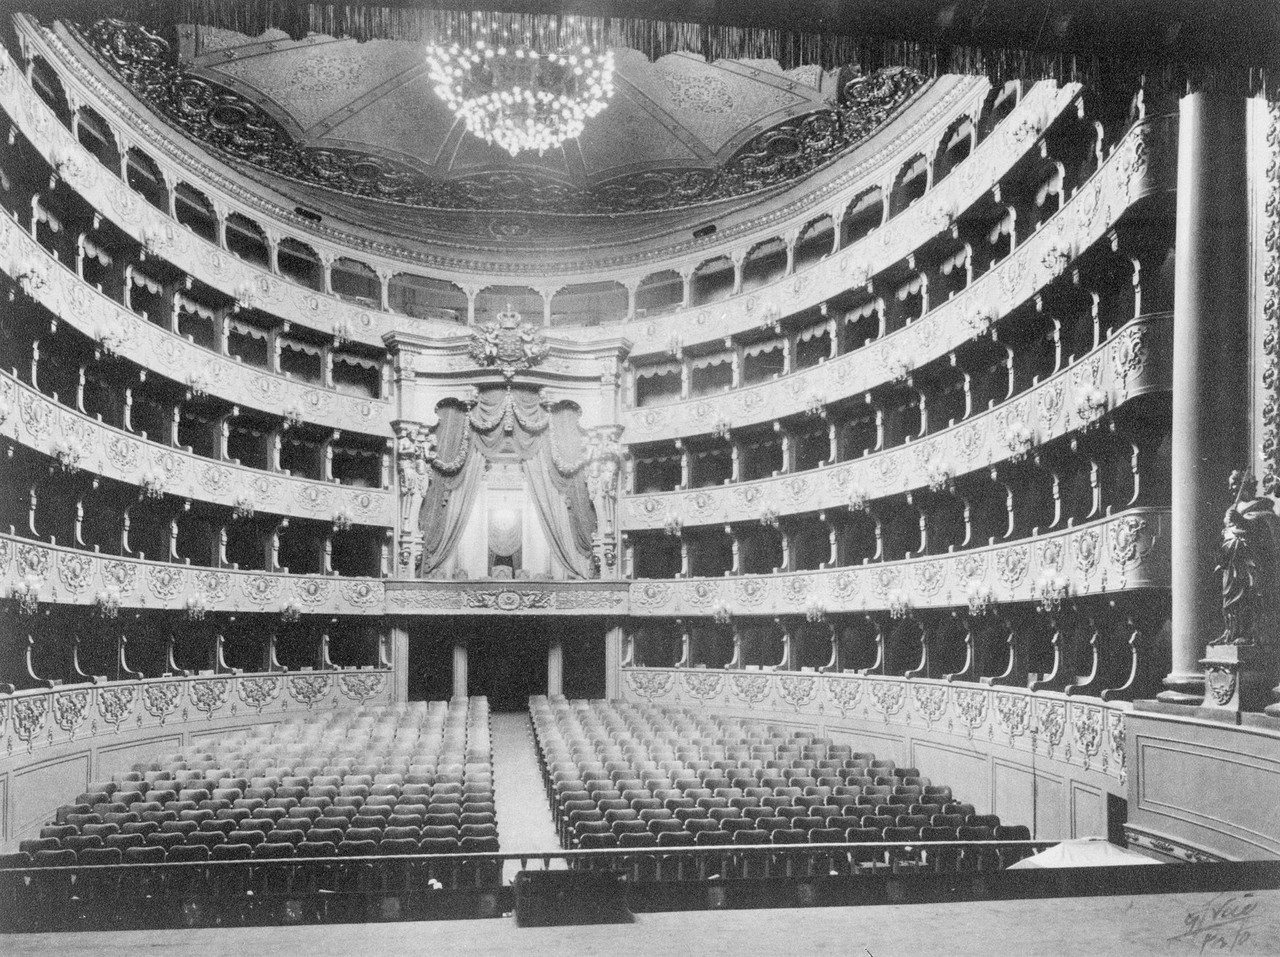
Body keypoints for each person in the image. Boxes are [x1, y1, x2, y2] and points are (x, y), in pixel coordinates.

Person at [1216, 469, 1280, 645]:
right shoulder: (1232, 510)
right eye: (1230, 486)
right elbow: (1226, 534)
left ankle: (1249, 634)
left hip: (1250, 563)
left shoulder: (1262, 508)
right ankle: (1232, 632)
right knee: (1230, 600)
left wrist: (1242, 521)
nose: (1232, 489)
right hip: (1232, 562)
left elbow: (1266, 531)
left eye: (1235, 485)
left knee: (1249, 596)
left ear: (1248, 486)